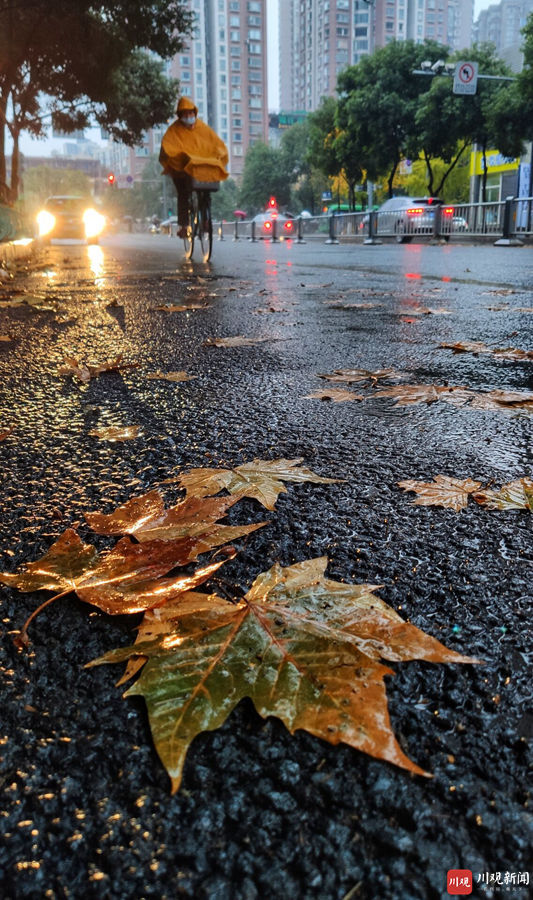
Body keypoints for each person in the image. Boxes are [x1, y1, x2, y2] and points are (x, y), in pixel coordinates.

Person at [159, 97, 229, 238]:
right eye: (185, 114)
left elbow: (216, 144)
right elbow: (168, 148)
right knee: (183, 194)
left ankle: (206, 221)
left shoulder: (203, 129)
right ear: (180, 115)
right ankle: (184, 226)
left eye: (191, 113)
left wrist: (217, 156)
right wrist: (181, 158)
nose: (189, 116)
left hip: (201, 169)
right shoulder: (174, 131)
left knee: (206, 192)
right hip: (182, 171)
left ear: (194, 113)